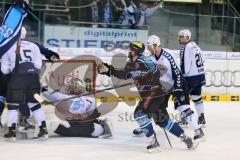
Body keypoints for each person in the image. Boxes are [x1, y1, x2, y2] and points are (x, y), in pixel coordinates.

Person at [0, 27, 60, 132]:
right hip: (27, 75)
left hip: (6, 74)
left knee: (3, 96)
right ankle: (24, 119)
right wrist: (53, 59)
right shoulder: (33, 45)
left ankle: (16, 124)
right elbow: (53, 56)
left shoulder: (5, 44)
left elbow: (4, 66)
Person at [146, 35, 205, 142]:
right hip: (165, 86)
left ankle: (198, 130)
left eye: (149, 47)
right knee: (152, 104)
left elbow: (178, 74)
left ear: (155, 45)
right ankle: (145, 126)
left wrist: (177, 89)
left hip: (178, 84)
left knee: (183, 109)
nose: (148, 49)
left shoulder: (167, 55)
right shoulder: (151, 57)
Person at [1, 35, 48, 142]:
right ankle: (43, 129)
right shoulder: (33, 45)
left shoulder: (8, 46)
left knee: (13, 105)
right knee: (35, 104)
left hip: (17, 78)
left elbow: (5, 70)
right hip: (33, 78)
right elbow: (38, 65)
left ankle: (12, 132)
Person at [41, 78, 112, 138]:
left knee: (81, 129)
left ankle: (102, 126)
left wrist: (85, 117)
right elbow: (45, 92)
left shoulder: (90, 99)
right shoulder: (61, 97)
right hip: (72, 121)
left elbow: (93, 114)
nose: (73, 89)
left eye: (75, 87)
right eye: (71, 87)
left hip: (84, 123)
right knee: (64, 128)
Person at [0, 0, 30, 129]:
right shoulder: (30, 45)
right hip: (16, 75)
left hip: (4, 73)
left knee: (1, 96)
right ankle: (23, 120)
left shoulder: (6, 38)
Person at [178, 29, 206, 126]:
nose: (179, 38)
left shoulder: (185, 48)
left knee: (180, 98)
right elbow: (204, 58)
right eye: (180, 36)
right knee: (196, 97)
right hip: (200, 76)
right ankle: (201, 118)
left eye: (181, 37)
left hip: (190, 79)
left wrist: (180, 76)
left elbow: (185, 67)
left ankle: (186, 119)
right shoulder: (195, 45)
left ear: (187, 37)